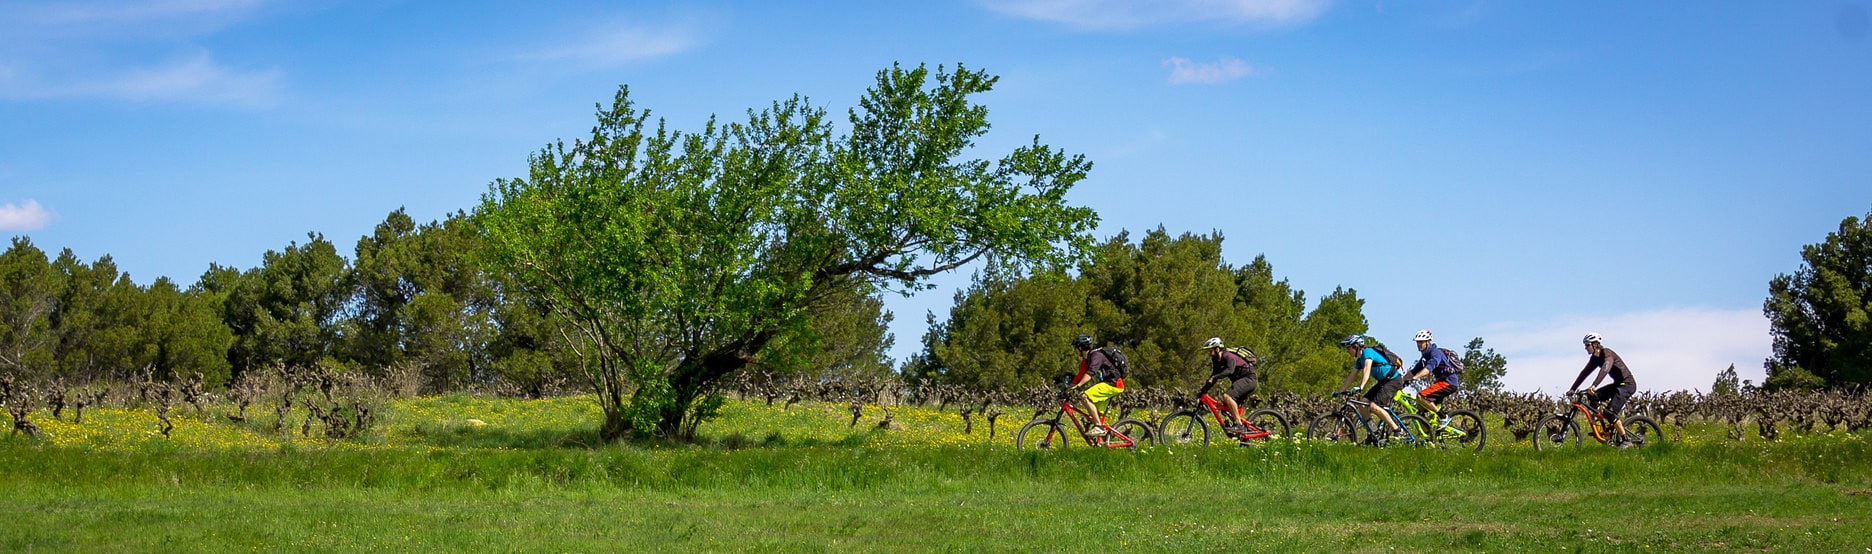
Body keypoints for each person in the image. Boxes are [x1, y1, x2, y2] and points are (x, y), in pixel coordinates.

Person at [1568, 332, 1638, 447]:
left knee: (1610, 412)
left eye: (1587, 345)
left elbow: (1605, 368)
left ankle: (1626, 440)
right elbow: (1584, 373)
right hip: (1617, 384)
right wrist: (1572, 389)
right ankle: (1603, 428)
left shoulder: (1607, 353)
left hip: (1627, 384)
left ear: (1595, 344)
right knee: (1592, 396)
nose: (1585, 348)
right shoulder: (1595, 359)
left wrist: (1594, 385)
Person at [1334, 334, 1404, 436]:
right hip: (1383, 381)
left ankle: (1397, 430)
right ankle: (1375, 432)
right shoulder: (1359, 361)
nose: (1347, 351)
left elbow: (1367, 370)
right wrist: (1340, 391)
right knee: (1362, 404)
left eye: (1349, 348)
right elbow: (1351, 377)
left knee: (1374, 406)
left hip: (1393, 380)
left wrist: (1361, 386)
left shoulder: (1368, 353)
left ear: (1356, 346)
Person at [1069, 334, 1125, 438]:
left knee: (1085, 396)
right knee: (1096, 416)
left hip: (1113, 384)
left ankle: (1099, 427)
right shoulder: (1086, 360)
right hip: (1108, 384)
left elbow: (1090, 373)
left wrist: (1078, 386)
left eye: (1076, 347)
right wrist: (1068, 390)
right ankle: (1102, 443)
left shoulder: (1096, 356)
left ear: (1080, 347)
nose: (1075, 350)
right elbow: (1079, 376)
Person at [1200, 337, 1257, 434]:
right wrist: (1203, 391)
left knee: (1227, 396)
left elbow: (1229, 370)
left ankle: (1238, 425)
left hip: (1249, 379)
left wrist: (1214, 377)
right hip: (1242, 381)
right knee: (1226, 407)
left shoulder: (1228, 356)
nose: (1209, 354)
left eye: (1210, 350)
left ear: (1217, 349)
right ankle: (1243, 434)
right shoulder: (1217, 361)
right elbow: (1213, 377)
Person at [1404, 329, 1460, 423]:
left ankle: (1443, 417)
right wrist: (1400, 380)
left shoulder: (1435, 353)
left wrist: (1414, 378)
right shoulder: (1425, 356)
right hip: (1441, 382)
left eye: (1421, 342)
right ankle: (1429, 435)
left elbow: (1428, 369)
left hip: (1448, 382)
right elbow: (1414, 371)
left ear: (1428, 342)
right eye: (1417, 342)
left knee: (1420, 396)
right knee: (1420, 409)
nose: (1419, 344)